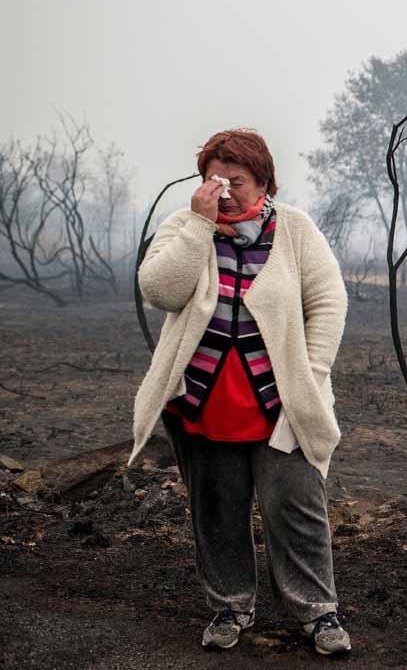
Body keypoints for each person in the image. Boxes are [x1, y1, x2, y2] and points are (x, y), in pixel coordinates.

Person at [128, 129, 350, 655]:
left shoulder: (295, 230)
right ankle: (230, 606)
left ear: (266, 182)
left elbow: (328, 301)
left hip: (281, 403)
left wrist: (313, 373)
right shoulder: (186, 226)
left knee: (296, 508)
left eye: (237, 180)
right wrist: (200, 227)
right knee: (216, 510)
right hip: (202, 403)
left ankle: (318, 614)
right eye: (214, 179)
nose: (224, 190)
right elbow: (160, 289)